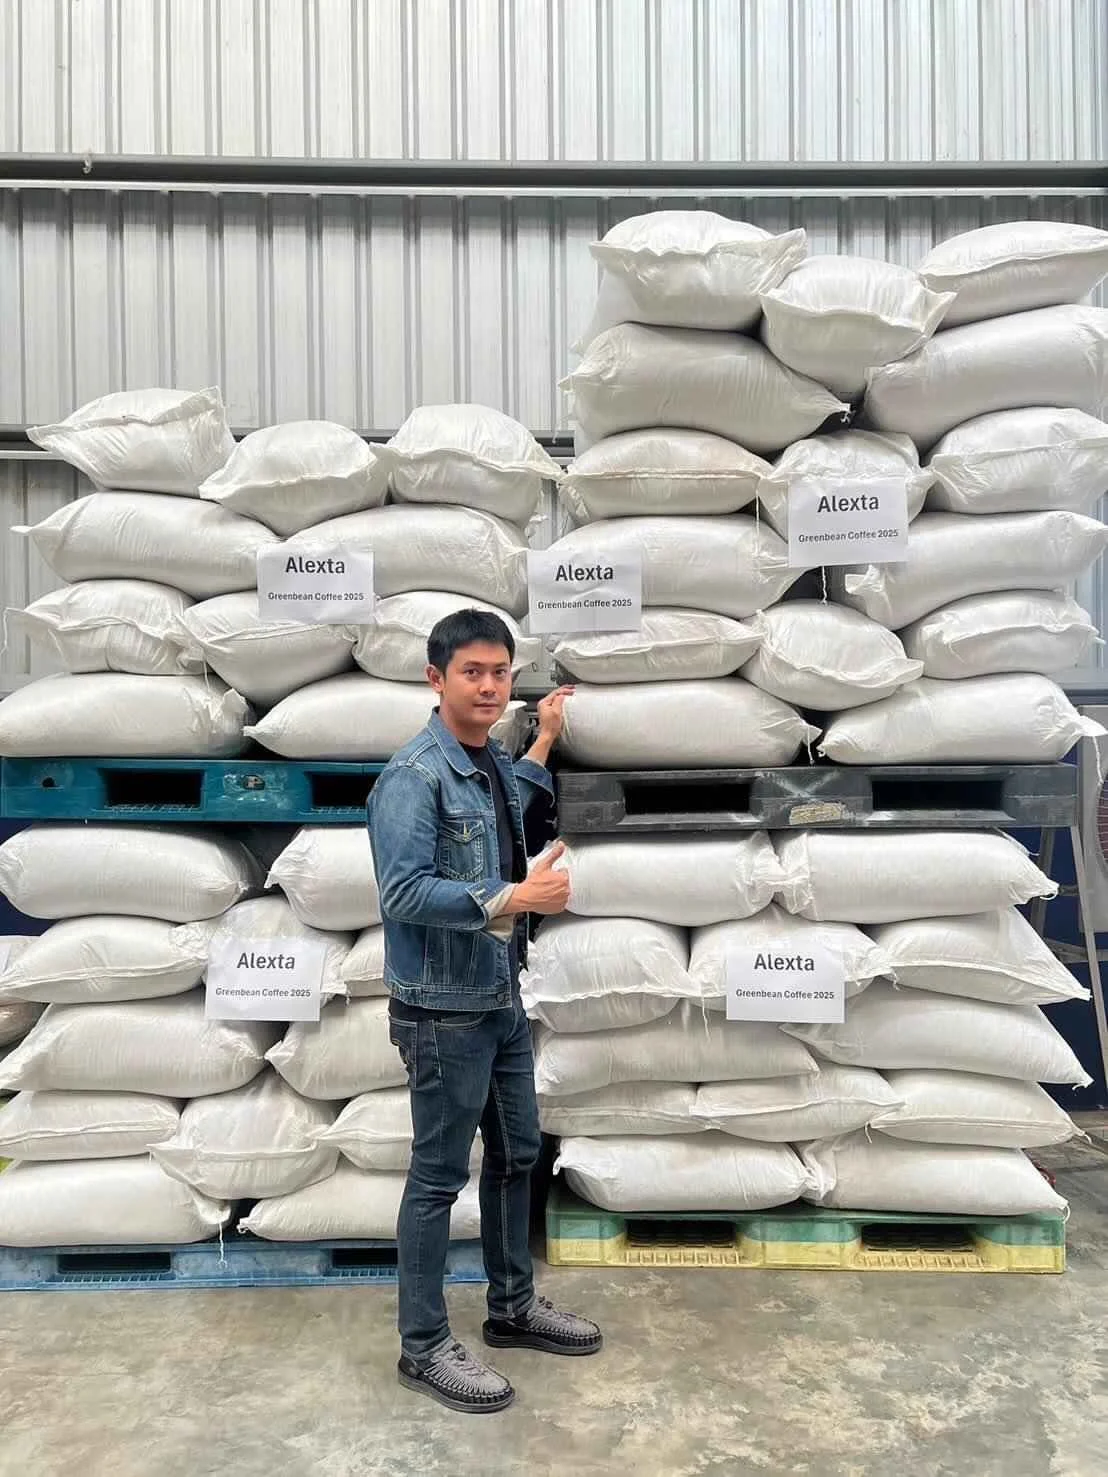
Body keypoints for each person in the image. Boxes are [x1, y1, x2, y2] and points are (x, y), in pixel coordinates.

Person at [367, 608, 602, 1415]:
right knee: (437, 1176)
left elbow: (511, 800)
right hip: (442, 1011)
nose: (490, 686)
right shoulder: (413, 775)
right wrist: (516, 894)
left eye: (501, 673)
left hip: (498, 995)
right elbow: (402, 891)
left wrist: (542, 739)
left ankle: (512, 1307)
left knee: (518, 1152)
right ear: (436, 679)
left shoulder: (487, 761)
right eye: (473, 672)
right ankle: (423, 1346)